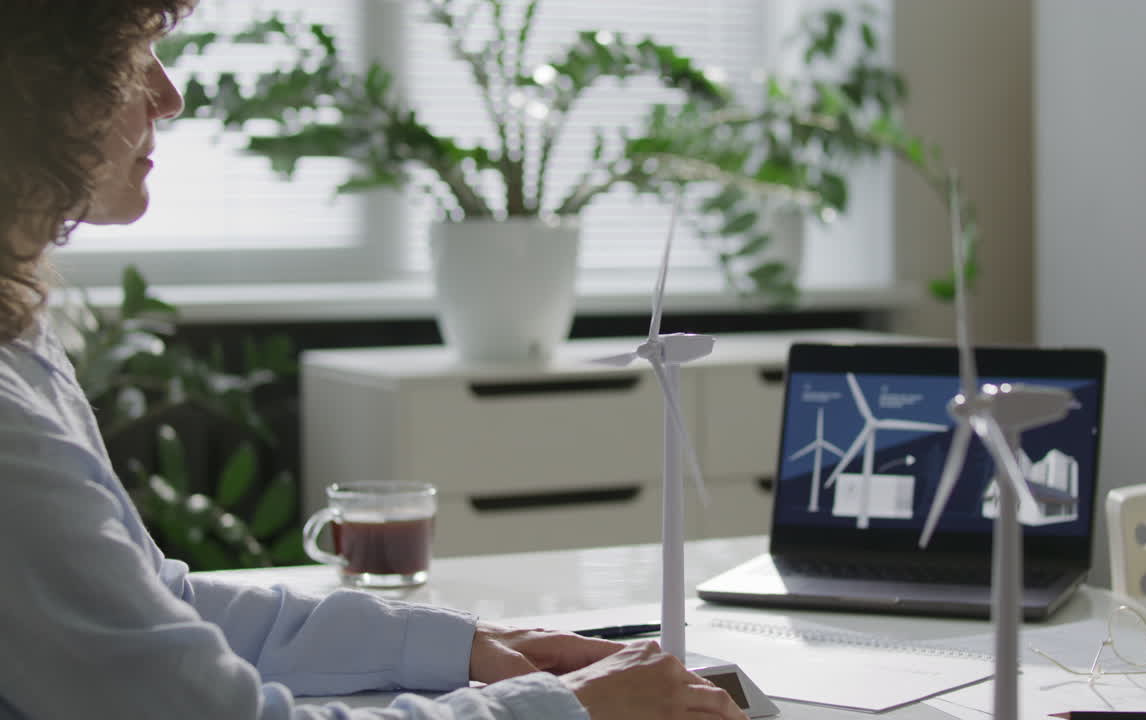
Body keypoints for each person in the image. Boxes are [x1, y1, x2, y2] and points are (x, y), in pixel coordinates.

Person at [0, 3, 750, 719]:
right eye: (133, 62)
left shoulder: (23, 338)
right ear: (44, 88)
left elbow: (160, 607)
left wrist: (464, 645)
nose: (171, 95)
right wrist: (564, 710)